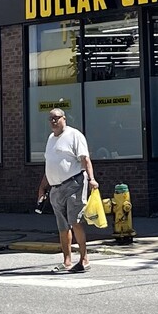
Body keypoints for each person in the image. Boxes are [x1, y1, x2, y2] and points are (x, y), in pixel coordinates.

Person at [36, 107, 96, 273]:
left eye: (56, 118)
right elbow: (50, 165)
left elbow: (85, 159)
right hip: (55, 189)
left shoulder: (74, 135)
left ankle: (84, 259)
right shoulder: (50, 139)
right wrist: (42, 187)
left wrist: (91, 179)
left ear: (64, 119)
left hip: (73, 184)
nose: (53, 121)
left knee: (75, 221)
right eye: (50, 119)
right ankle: (67, 261)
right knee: (62, 226)